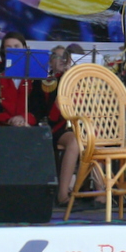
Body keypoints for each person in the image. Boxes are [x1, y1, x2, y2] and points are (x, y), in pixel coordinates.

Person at [40, 46, 81, 206]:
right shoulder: (48, 82)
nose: (63, 60)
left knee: (96, 139)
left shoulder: (80, 80)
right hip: (58, 127)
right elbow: (51, 114)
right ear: (50, 62)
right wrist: (64, 82)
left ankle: (101, 193)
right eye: (58, 57)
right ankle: (63, 194)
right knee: (75, 141)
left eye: (66, 57)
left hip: (82, 125)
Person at [0, 31, 41, 127]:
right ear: (3, 51)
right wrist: (9, 120)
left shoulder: (35, 73)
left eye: (16, 46)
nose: (13, 50)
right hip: (2, 126)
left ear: (25, 48)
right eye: (9, 47)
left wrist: (24, 118)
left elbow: (39, 105)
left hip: (28, 126)